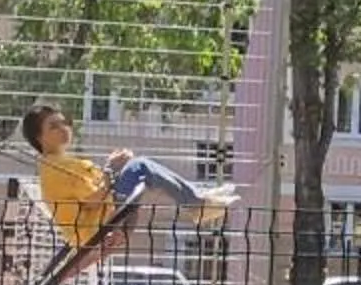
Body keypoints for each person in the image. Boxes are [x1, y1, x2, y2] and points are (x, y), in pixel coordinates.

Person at [19, 101, 236, 255]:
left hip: (100, 220)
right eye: (53, 126)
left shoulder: (57, 164)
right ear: (39, 137)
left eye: (63, 123)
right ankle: (197, 203)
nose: (63, 129)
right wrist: (111, 168)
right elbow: (93, 198)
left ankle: (196, 201)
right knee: (140, 166)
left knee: (140, 166)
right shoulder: (57, 167)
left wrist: (114, 168)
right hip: (100, 223)